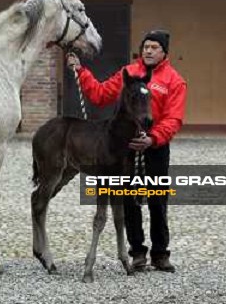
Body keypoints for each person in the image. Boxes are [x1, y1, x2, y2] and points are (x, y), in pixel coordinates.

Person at [67, 29, 187, 272]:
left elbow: (173, 119)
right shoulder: (128, 74)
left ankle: (160, 254)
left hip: (155, 148)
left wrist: (153, 138)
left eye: (154, 47)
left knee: (157, 200)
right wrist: (80, 70)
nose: (149, 51)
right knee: (129, 200)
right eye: (146, 47)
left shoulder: (174, 81)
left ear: (165, 52)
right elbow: (100, 95)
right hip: (127, 149)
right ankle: (137, 253)